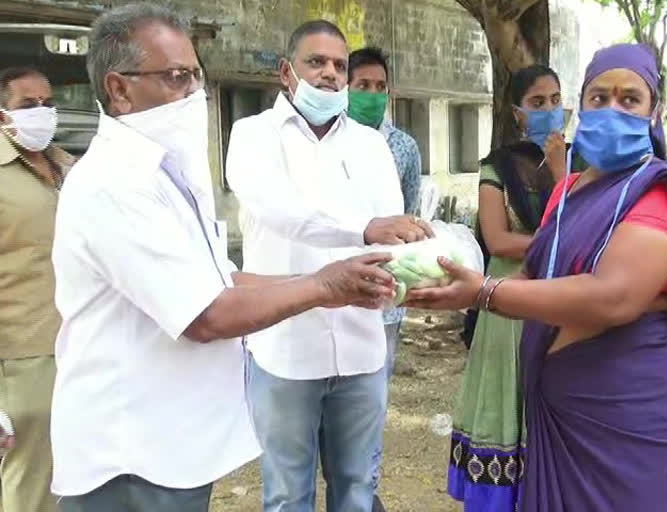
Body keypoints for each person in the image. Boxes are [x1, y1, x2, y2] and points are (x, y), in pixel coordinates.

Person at [52, 6, 396, 512]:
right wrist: (325, 285)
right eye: (175, 78)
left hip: (175, 443)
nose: (195, 93)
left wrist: (334, 281)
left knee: (356, 485)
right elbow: (207, 314)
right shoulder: (114, 184)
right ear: (120, 89)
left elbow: (222, 279)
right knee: (288, 490)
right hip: (131, 454)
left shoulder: (163, 172)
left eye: (196, 76)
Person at [406, 43, 667, 512]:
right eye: (599, 98)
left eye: (629, 99)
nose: (612, 109)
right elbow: (540, 269)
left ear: (654, 112)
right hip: (561, 413)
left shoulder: (657, 192)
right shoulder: (569, 191)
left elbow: (612, 298)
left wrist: (485, 293)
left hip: (633, 415)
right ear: (583, 104)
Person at [226, 20, 431, 512]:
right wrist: (365, 228)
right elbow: (282, 213)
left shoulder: (370, 145)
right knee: (286, 496)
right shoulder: (252, 136)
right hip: (285, 349)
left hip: (362, 346)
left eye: (339, 66)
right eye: (315, 62)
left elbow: (393, 235)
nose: (329, 75)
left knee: (358, 492)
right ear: (286, 72)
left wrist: (418, 266)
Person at [447, 65, 566, 511]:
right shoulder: (496, 167)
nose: (550, 110)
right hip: (508, 300)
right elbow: (497, 239)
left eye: (555, 99)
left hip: (564, 300)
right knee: (506, 403)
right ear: (518, 113)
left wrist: (561, 171)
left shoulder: (584, 162)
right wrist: (557, 240)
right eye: (538, 103)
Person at [347, 46, 423, 512]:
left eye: (380, 87)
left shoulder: (404, 147)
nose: (372, 95)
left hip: (386, 295)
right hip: (332, 291)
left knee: (373, 397)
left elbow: (410, 217)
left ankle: (364, 489)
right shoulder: (326, 141)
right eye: (363, 86)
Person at [0, 66, 74, 512]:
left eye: (48, 104)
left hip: (79, 344)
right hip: (24, 357)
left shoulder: (67, 168)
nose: (43, 114)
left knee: (74, 477)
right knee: (30, 486)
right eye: (29, 106)